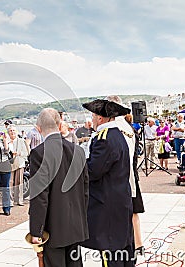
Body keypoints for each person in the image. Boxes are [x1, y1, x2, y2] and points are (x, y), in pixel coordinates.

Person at [29, 108, 89, 267]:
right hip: (76, 225)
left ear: (39, 128)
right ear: (59, 123)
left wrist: (36, 231)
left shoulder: (39, 153)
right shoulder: (77, 150)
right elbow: (85, 190)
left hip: (53, 228)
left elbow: (39, 196)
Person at [81, 99, 134, 267]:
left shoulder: (104, 138)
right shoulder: (118, 135)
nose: (92, 119)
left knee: (110, 252)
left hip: (107, 204)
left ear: (100, 119)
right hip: (119, 200)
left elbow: (93, 171)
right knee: (124, 249)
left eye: (93, 115)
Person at [124, 114, 146, 258]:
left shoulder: (127, 132)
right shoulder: (132, 131)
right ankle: (138, 244)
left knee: (132, 213)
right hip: (133, 176)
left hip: (130, 177)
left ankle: (137, 244)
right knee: (134, 213)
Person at [7, 125, 29, 206]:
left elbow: (26, 152)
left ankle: (19, 200)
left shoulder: (21, 141)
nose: (12, 132)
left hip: (20, 163)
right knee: (10, 182)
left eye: (14, 130)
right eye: (10, 131)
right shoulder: (6, 141)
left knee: (19, 182)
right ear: (8, 133)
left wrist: (19, 153)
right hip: (10, 164)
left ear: (16, 132)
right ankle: (10, 200)